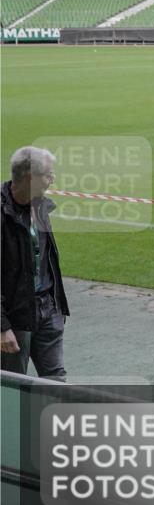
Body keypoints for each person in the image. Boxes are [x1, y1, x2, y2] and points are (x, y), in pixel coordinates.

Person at [1, 146, 70, 380]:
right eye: (49, 175)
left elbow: (46, 258)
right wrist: (2, 327)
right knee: (13, 384)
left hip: (48, 308)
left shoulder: (39, 205)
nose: (52, 180)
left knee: (56, 380)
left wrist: (57, 306)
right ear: (31, 177)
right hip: (16, 315)